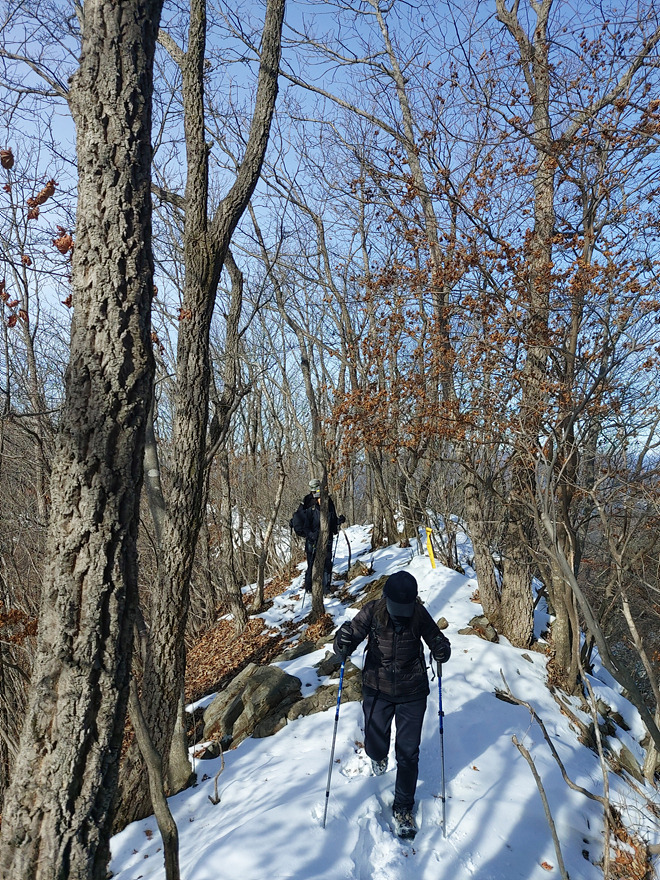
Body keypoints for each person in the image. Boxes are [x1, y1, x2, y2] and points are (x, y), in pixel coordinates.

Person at [333, 570, 451, 839]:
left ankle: (403, 808)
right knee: (375, 746)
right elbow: (349, 639)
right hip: (377, 687)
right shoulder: (373, 610)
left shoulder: (418, 614)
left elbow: (437, 639)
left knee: (408, 753)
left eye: (405, 607)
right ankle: (378, 756)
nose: (400, 613)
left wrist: (442, 649)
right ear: (386, 598)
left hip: (413, 691)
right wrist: (343, 641)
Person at [290, 479, 345, 594]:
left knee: (326, 563)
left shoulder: (327, 500)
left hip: (325, 537)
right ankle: (310, 588)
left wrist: (338, 522)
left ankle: (325, 588)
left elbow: (332, 518)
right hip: (312, 538)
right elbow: (305, 523)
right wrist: (311, 535)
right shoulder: (308, 502)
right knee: (313, 563)